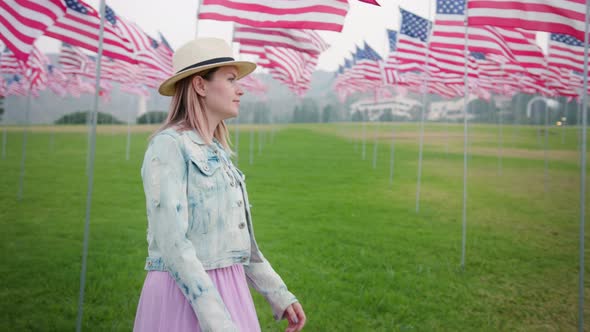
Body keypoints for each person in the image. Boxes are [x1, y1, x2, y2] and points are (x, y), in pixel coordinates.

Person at [133, 38, 306, 332]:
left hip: (230, 289)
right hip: (185, 297)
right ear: (201, 86)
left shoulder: (218, 152)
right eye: (230, 79)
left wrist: (278, 293)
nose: (240, 89)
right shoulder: (168, 147)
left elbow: (239, 243)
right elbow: (173, 245)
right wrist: (218, 322)